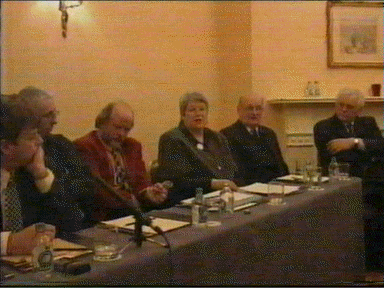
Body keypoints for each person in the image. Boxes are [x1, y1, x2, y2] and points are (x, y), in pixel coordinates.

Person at [15, 87, 97, 231]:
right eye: (48, 115)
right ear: (29, 118)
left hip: (71, 229)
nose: (55, 121)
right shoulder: (18, 155)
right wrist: (55, 183)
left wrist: (51, 181)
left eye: (55, 113)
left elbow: (88, 190)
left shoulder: (61, 145)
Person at [74, 101, 169, 221]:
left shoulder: (132, 146)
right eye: (117, 127)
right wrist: (133, 199)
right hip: (104, 216)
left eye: (127, 130)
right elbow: (96, 191)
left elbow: (141, 180)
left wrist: (148, 193)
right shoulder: (85, 146)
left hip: (134, 214)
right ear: (102, 122)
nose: (121, 134)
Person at [155, 92, 238, 204]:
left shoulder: (218, 138)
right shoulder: (172, 139)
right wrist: (213, 183)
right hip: (190, 201)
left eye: (202, 109)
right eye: (192, 110)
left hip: (224, 196)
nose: (198, 114)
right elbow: (178, 181)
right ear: (183, 114)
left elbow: (230, 167)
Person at [1, 94, 59, 255]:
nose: (40, 141)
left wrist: (41, 175)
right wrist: (8, 243)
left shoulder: (27, 171)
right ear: (6, 147)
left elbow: (72, 222)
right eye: (32, 137)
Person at [221, 93, 289, 185]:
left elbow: (281, 167)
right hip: (249, 190)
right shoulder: (227, 135)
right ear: (239, 110)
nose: (254, 113)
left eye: (258, 108)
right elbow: (236, 174)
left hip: (276, 187)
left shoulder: (269, 133)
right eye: (249, 108)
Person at [313, 88, 383, 177]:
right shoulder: (323, 126)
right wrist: (366, 147)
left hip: (370, 179)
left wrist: (353, 142)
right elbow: (337, 157)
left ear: (359, 110)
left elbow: (380, 146)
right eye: (341, 105)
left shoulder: (368, 122)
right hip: (338, 178)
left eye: (349, 106)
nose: (344, 109)